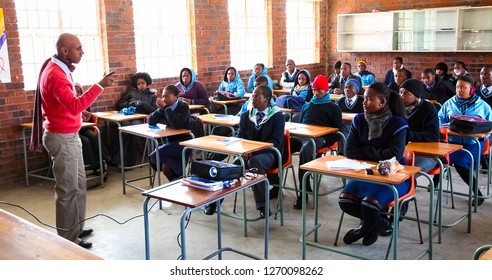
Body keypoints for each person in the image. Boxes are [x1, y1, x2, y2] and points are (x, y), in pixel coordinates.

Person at [30, 33, 116, 248]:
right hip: (62, 138)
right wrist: (100, 85)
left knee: (78, 186)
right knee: (67, 190)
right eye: (78, 48)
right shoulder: (55, 74)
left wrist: (80, 114)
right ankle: (68, 239)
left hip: (70, 134)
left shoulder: (60, 68)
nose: (82, 52)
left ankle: (75, 228)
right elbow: (73, 104)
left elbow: (67, 106)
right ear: (65, 51)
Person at [338, 82, 409, 246]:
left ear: (382, 102)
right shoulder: (359, 119)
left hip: (394, 175)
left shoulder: (398, 123)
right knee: (345, 201)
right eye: (364, 98)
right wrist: (376, 153)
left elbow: (394, 156)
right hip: (366, 171)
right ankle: (380, 225)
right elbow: (350, 151)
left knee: (369, 204)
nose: (364, 102)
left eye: (369, 99)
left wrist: (366, 150)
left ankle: (363, 229)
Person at [205, 85, 285, 218]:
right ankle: (215, 202)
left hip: (270, 153)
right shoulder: (247, 115)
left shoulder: (277, 116)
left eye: (256, 96)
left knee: (254, 163)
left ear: (267, 99)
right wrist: (243, 150)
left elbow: (275, 142)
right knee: (232, 167)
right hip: (247, 154)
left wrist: (252, 151)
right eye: (252, 95)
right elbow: (240, 136)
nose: (252, 98)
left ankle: (263, 206)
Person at [438, 75, 492, 207]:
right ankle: (435, 181)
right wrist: (446, 128)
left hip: (473, 143)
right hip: (452, 142)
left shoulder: (483, 106)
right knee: (438, 158)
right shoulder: (449, 103)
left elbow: (490, 127)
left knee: (460, 162)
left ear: (472, 89)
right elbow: (439, 119)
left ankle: (477, 193)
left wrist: (481, 135)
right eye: (457, 87)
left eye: (463, 87)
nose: (459, 90)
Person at [291, 75, 342, 209]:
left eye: (319, 89)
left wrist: (325, 140)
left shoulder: (333, 108)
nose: (316, 92)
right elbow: (302, 124)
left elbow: (338, 133)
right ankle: (274, 185)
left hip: (319, 138)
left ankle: (303, 191)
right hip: (302, 136)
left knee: (306, 150)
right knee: (281, 146)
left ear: (326, 90)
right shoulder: (307, 105)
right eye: (314, 90)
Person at [148, 85, 194, 182]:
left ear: (176, 97)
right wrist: (160, 109)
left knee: (154, 156)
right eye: (163, 96)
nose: (164, 99)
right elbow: (151, 121)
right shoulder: (165, 108)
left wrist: (165, 107)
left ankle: (179, 182)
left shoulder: (183, 106)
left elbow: (176, 124)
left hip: (184, 142)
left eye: (167, 97)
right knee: (165, 167)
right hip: (170, 142)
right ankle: (178, 182)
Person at [115, 72, 158, 166]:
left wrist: (143, 104)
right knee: (123, 127)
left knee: (133, 128)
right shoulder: (131, 93)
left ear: (147, 83)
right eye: (138, 84)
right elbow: (119, 105)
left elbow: (154, 110)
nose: (140, 85)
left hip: (143, 119)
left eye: (142, 83)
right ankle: (118, 158)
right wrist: (129, 104)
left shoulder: (152, 95)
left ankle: (130, 160)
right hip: (129, 116)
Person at [399, 79, 440, 173]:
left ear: (416, 96)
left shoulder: (429, 109)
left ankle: (408, 186)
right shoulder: (397, 108)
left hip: (426, 153)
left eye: (406, 93)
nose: (402, 96)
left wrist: (408, 135)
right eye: (400, 92)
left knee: (408, 172)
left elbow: (433, 135)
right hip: (402, 150)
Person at [75, 83, 113, 176]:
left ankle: (107, 160)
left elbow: (89, 118)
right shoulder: (70, 102)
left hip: (83, 128)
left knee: (94, 136)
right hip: (73, 130)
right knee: (85, 141)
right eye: (75, 92)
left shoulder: (83, 102)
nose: (77, 94)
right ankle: (93, 166)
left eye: (79, 92)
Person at [476, 65, 492, 170]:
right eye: (482, 73)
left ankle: (484, 157)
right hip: (477, 123)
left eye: (487, 74)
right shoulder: (475, 91)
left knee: (485, 138)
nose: (483, 76)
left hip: (490, 125)